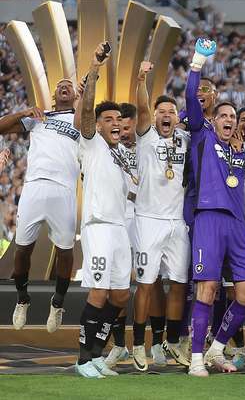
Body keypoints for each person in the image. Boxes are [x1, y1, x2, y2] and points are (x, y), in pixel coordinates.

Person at [185, 38, 245, 377]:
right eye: (222, 115)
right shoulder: (202, 135)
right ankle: (196, 359)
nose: (227, 119)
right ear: (214, 121)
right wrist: (198, 63)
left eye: (231, 116)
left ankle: (216, 349)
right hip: (208, 219)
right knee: (207, 289)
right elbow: (191, 103)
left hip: (238, 224)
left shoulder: (240, 152)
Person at [0, 79, 79, 333]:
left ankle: (58, 303)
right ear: (55, 95)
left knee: (66, 251)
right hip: (34, 186)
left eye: (69, 85)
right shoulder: (39, 117)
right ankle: (22, 298)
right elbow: (1, 128)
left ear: (75, 95)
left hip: (64, 189)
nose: (64, 86)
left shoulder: (80, 121)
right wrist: (23, 112)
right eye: (61, 85)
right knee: (22, 250)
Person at [74, 43, 132, 378]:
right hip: (97, 227)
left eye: (117, 119)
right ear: (97, 124)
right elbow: (85, 113)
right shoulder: (91, 143)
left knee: (121, 295)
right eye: (107, 118)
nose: (113, 123)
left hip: (120, 230)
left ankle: (97, 353)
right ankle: (83, 359)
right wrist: (95, 67)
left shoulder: (121, 155)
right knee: (98, 292)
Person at [130, 60, 191, 369]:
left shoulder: (185, 139)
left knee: (179, 283)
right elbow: (140, 108)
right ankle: (139, 344)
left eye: (171, 112)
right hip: (148, 220)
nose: (167, 116)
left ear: (178, 117)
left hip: (177, 223)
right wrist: (142, 79)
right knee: (146, 283)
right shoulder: (146, 135)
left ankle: (175, 342)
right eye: (161, 112)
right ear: (153, 117)